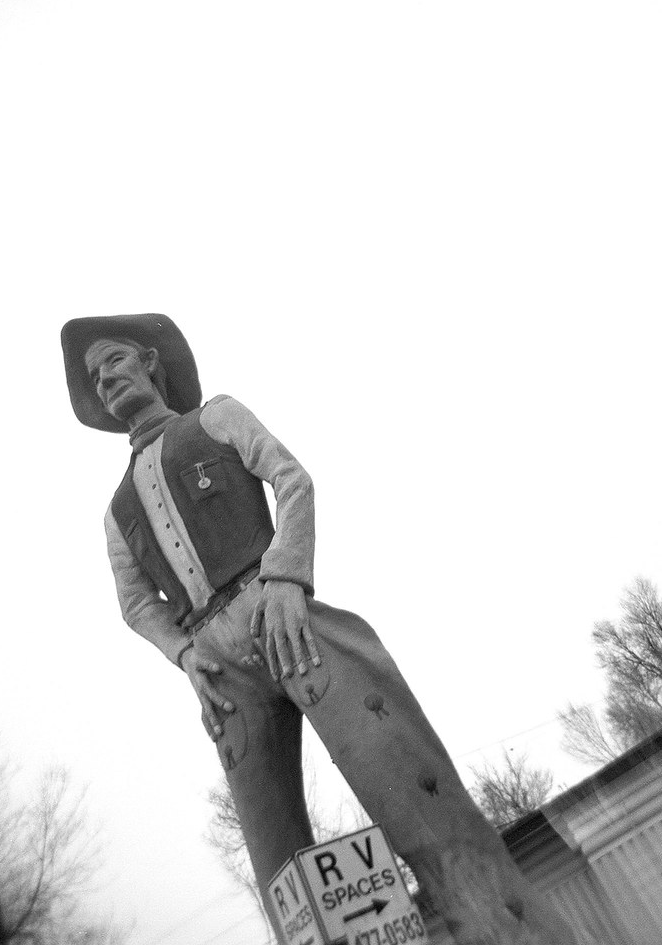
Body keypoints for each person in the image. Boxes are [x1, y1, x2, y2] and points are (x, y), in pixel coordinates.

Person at [61, 313, 576, 945]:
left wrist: (284, 578)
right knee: (281, 867)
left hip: (279, 614)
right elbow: (136, 604)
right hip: (219, 667)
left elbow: (290, 478)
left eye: (113, 360)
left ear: (148, 359)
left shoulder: (216, 417)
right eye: (94, 376)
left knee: (407, 781)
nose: (105, 378)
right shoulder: (116, 511)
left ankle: (513, 933)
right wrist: (185, 653)